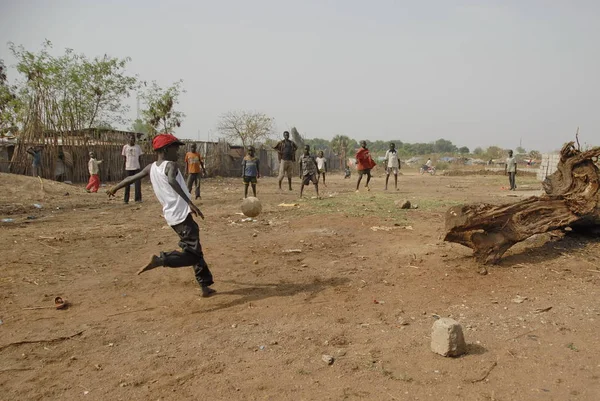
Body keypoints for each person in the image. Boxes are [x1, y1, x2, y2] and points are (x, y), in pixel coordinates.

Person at [106, 133, 215, 298]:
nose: (178, 152)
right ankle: (162, 260)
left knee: (195, 250)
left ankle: (204, 285)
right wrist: (190, 203)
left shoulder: (151, 167)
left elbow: (132, 178)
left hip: (172, 217)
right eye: (175, 148)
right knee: (192, 254)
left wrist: (115, 187)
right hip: (181, 215)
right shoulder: (171, 165)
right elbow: (172, 180)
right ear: (165, 149)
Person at [121, 134, 143, 204]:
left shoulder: (138, 147)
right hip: (128, 167)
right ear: (128, 139)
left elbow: (140, 158)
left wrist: (140, 166)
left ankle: (138, 199)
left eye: (133, 139)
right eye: (131, 138)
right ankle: (126, 200)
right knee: (127, 184)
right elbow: (124, 158)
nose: (132, 140)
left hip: (136, 167)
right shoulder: (125, 147)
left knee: (137, 184)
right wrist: (123, 167)